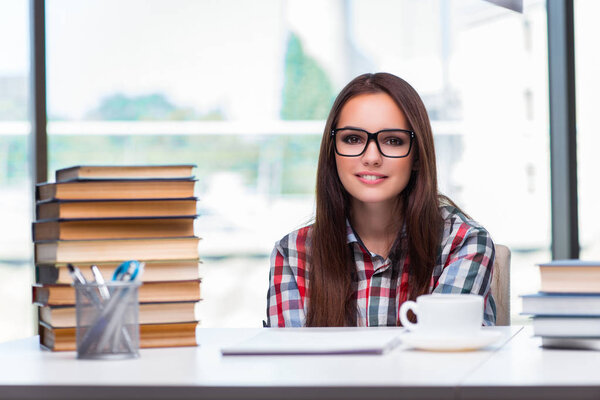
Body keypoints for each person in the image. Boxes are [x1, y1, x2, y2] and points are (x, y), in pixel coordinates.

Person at [266, 72, 495, 328]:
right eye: (353, 139)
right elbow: (290, 363)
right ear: (332, 153)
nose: (372, 157)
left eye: (393, 141)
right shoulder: (292, 254)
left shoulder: (463, 243)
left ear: (417, 156)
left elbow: (443, 355)